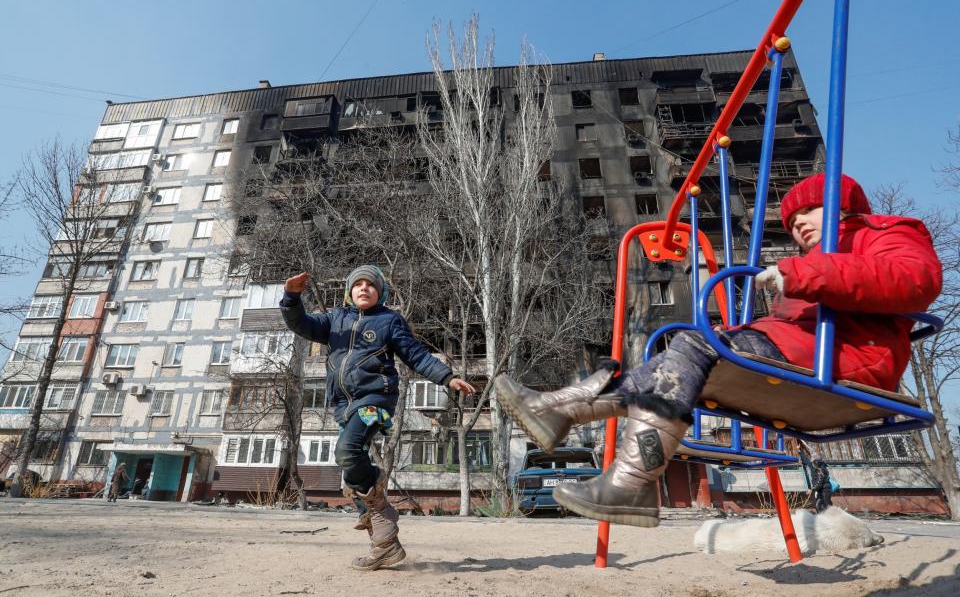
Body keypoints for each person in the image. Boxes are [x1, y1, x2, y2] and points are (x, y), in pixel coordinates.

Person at [495, 173, 942, 528]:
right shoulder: (814, 264)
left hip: (850, 358)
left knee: (694, 342)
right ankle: (566, 413)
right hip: (804, 351)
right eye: (791, 221)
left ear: (844, 206)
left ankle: (608, 459)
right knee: (677, 359)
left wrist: (809, 275)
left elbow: (917, 280)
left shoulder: (882, 233)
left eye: (810, 210)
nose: (800, 223)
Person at [281, 265, 476, 570]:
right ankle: (384, 542)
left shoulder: (388, 320)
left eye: (370, 285)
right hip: (345, 405)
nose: (363, 288)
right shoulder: (335, 320)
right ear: (349, 291)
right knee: (348, 461)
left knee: (347, 451)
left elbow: (416, 354)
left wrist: (446, 377)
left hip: (376, 398)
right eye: (357, 284)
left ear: (380, 292)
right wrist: (291, 298)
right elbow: (301, 325)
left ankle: (379, 505)